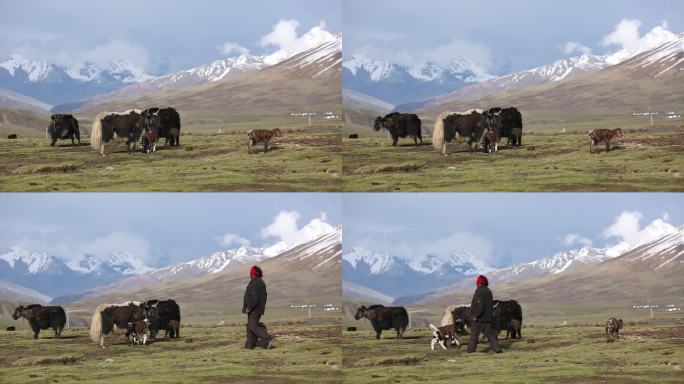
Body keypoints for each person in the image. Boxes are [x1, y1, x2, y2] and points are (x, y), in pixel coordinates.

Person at [466, 275, 502, 353]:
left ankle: (470, 351)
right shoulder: (488, 291)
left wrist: (476, 316)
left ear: (479, 283)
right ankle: (497, 348)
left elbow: (480, 306)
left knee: (474, 335)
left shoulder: (479, 291)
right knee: (490, 335)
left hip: (480, 319)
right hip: (488, 318)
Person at [242, 265, 274, 349]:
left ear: (252, 274)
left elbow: (254, 297)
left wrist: (249, 307)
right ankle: (249, 345)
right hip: (258, 308)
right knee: (250, 326)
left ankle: (268, 338)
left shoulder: (254, 282)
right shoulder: (261, 282)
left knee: (252, 325)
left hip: (254, 309)